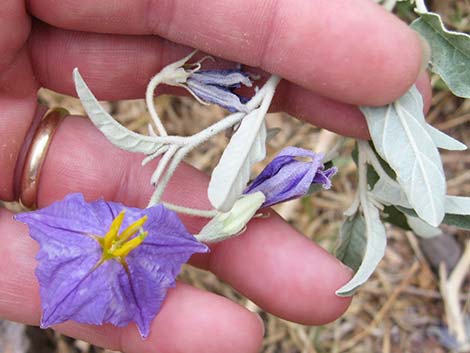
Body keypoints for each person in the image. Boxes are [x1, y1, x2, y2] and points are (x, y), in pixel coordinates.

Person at [0, 1, 431, 352]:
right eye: (116, 243)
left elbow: (62, 230)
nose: (114, 241)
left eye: (111, 241)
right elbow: (133, 273)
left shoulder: (107, 234)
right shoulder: (122, 239)